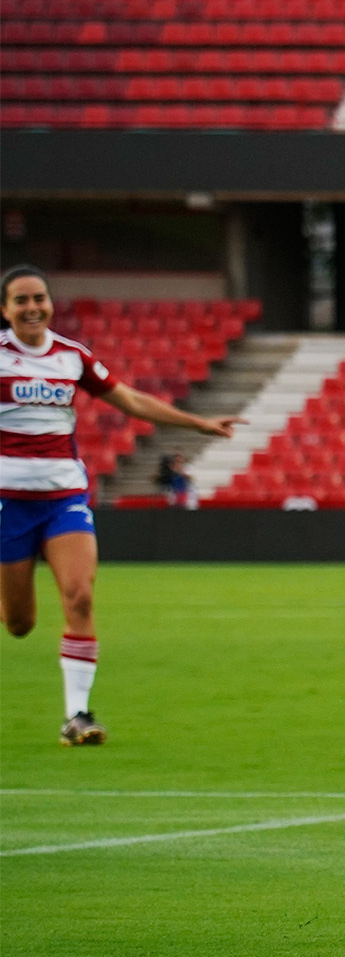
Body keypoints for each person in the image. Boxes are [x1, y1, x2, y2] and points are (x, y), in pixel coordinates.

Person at [1, 265, 240, 746]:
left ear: (50, 303)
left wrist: (197, 424)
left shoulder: (72, 357)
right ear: (5, 310)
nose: (32, 308)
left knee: (81, 596)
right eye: (21, 301)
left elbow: (128, 399)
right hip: (9, 503)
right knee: (20, 622)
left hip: (64, 497)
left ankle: (78, 715)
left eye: (39, 298)